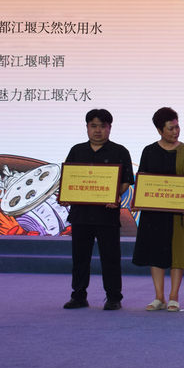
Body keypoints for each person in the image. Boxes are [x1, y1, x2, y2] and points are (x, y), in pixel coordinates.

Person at [63, 109, 134, 311]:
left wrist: (115, 195)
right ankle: (78, 296)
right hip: (81, 214)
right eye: (93, 126)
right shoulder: (77, 151)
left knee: (110, 258)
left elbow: (127, 180)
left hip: (107, 214)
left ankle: (113, 297)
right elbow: (69, 178)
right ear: (87, 127)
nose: (97, 130)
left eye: (102, 126)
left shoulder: (119, 151)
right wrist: (66, 195)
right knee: (80, 258)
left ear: (109, 128)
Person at [132, 107, 184, 312]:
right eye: (170, 128)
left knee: (177, 253)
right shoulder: (149, 151)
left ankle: (174, 296)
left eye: (177, 127)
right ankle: (159, 297)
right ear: (160, 130)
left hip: (177, 213)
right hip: (153, 213)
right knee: (155, 253)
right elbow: (143, 179)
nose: (175, 131)